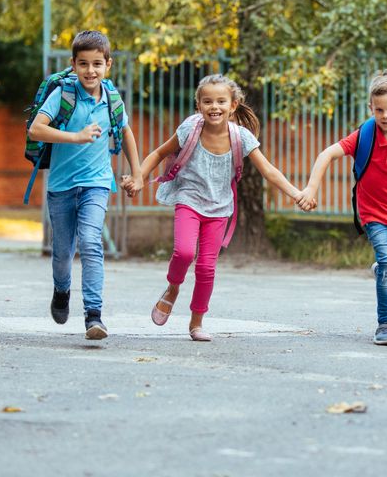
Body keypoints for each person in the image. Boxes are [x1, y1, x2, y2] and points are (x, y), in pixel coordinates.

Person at [121, 74, 311, 342]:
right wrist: (139, 178)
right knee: (184, 252)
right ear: (198, 105)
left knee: (207, 268)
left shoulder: (241, 137)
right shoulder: (190, 128)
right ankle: (173, 288)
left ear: (233, 105)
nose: (214, 107)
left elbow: (268, 171)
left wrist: (296, 193)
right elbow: (159, 153)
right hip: (188, 199)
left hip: (220, 208)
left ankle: (196, 323)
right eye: (207, 101)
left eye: (221, 101)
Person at [298, 69, 387, 346]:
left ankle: (382, 270)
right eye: (379, 109)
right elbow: (327, 154)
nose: (385, 116)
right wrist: (311, 187)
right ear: (371, 107)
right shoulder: (364, 136)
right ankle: (386, 324)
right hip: (373, 215)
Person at [28, 30, 143, 340]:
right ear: (73, 64)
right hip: (62, 186)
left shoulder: (112, 99)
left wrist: (138, 173)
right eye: (83, 64)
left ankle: (94, 315)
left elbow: (126, 132)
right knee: (63, 253)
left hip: (97, 184)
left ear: (108, 65)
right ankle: (61, 291)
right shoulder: (63, 95)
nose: (90, 71)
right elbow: (36, 130)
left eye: (97, 64)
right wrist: (75, 136)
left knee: (91, 243)